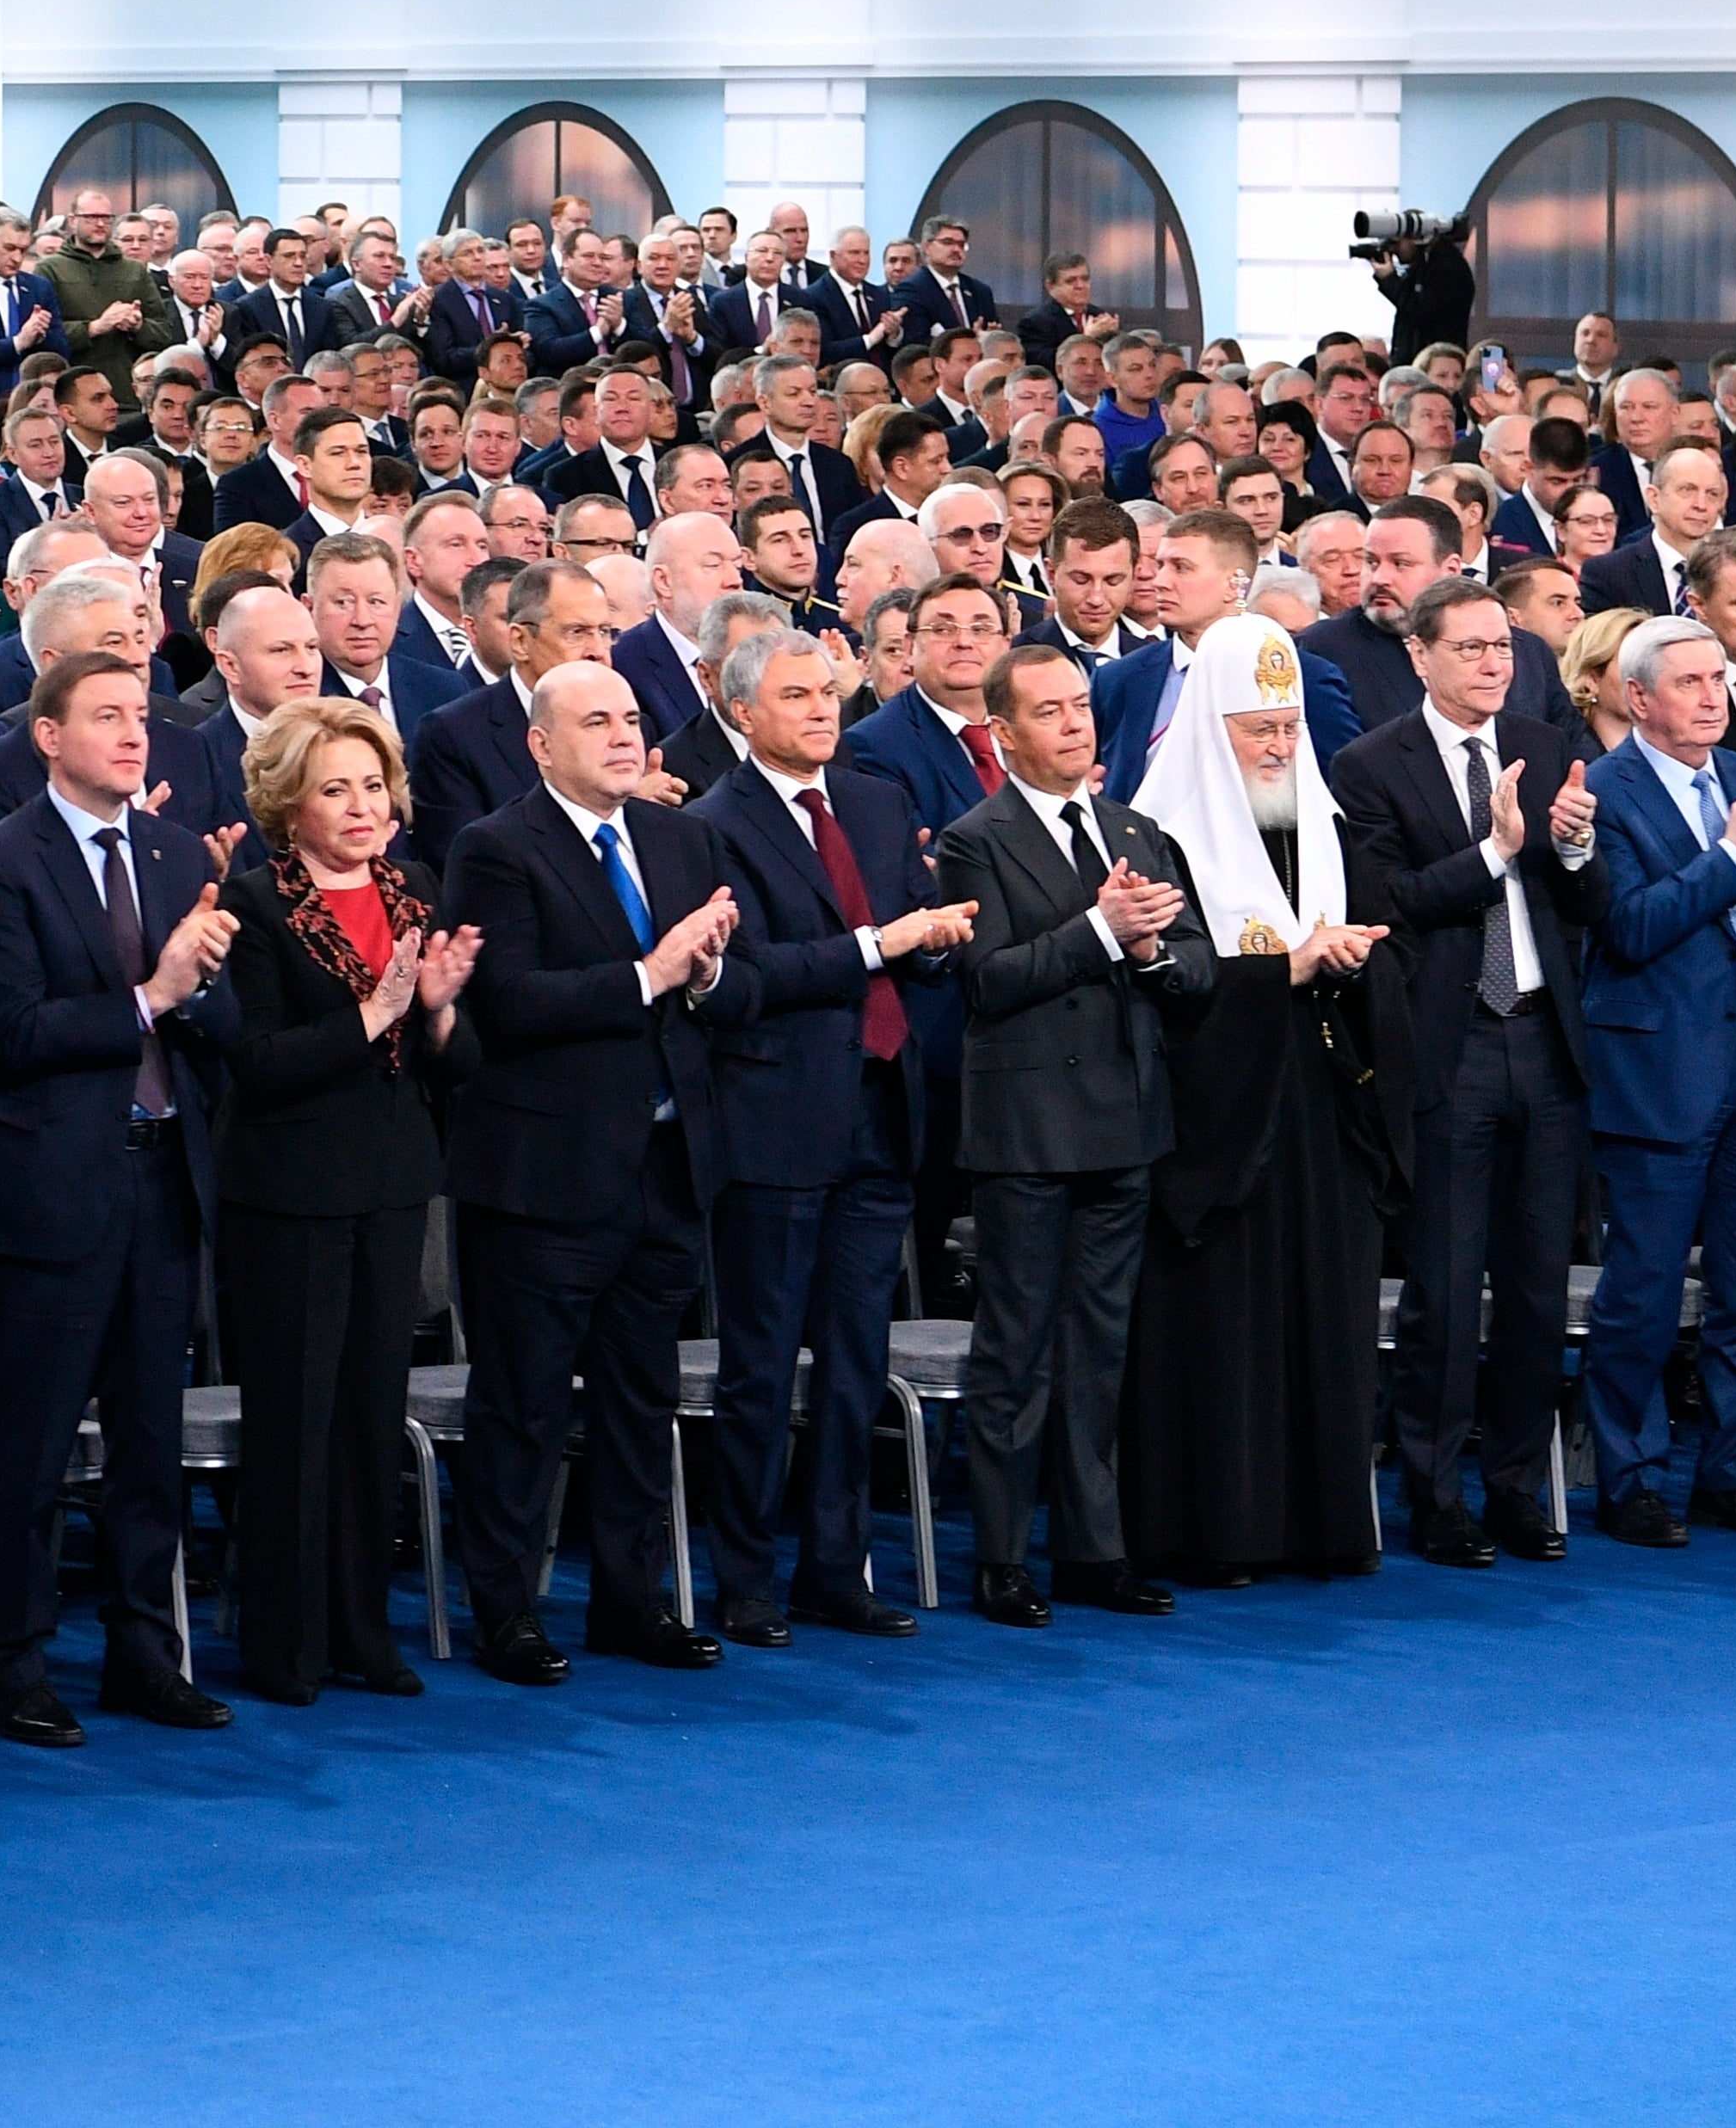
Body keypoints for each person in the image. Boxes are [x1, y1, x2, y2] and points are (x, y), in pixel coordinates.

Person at [0, 645, 243, 1744]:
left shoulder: (170, 851)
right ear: (48, 737)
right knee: (33, 1439)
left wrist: (198, 992)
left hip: (163, 1175)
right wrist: (153, 993)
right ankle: (15, 1663)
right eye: (105, 716)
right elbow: (7, 1034)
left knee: (150, 1440)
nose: (132, 734)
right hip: (52, 1183)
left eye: (140, 718)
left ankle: (143, 1652)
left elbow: (221, 1017)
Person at [437, 660, 757, 1682]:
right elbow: (511, 1004)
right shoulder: (495, 848)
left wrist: (705, 974)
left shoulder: (682, 833)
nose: (626, 736)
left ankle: (633, 1601)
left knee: (639, 1400)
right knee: (524, 1406)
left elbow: (717, 986)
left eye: (632, 717)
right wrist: (650, 973)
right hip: (545, 1176)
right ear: (540, 743)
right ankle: (508, 1612)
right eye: (597, 721)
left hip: (664, 1167)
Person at [933, 644, 1218, 1626]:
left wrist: (1147, 951)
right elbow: (988, 982)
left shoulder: (1136, 826)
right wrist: (1099, 931)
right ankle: (1003, 1558)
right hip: (1026, 1132)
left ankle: (1095, 1550)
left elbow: (1197, 969)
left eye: (1081, 707)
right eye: (1048, 712)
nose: (1073, 724)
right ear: (1004, 733)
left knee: (1100, 1348)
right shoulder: (974, 838)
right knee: (1016, 1350)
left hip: (1127, 1123)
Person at [690, 634, 968, 1639]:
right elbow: (743, 982)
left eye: (829, 692)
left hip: (882, 1106)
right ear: (742, 713)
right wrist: (877, 946)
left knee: (856, 1356)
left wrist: (936, 941)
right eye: (795, 696)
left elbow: (908, 933)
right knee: (763, 1363)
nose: (821, 710)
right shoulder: (711, 826)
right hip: (775, 1119)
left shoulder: (878, 801)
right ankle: (747, 1578)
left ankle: (836, 1566)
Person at [1327, 572, 1604, 1566]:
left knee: (1535, 1284)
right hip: (1449, 1046)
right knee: (1446, 1287)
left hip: (1545, 1037)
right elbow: (1386, 897)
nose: (1494, 663)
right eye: (1473, 648)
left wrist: (1571, 851)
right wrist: (1495, 851)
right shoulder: (1368, 765)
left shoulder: (1544, 744)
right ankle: (1437, 1493)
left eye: (1504, 647)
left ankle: (1521, 1486)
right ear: (1422, 656)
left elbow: (1591, 899)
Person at [208, 696, 478, 1698]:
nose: (361, 806)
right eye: (335, 788)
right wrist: (377, 1010)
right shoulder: (255, 902)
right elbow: (260, 1059)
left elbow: (457, 1062)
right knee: (297, 1419)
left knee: (372, 1415)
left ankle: (366, 1630)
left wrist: (440, 1014)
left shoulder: (415, 885)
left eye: (372, 785)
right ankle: (286, 1642)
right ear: (289, 800)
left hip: (393, 1180)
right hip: (288, 1190)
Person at [1115, 618, 1395, 1583]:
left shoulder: (1321, 821)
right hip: (1216, 1118)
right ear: (1209, 729)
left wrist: (1348, 960)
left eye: (1288, 725)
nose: (1280, 746)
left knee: (1323, 1309)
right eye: (1257, 729)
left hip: (1316, 1101)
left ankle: (1321, 1524)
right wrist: (1284, 970)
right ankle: (1218, 1530)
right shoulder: (1159, 833)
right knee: (1224, 1325)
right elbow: (1170, 986)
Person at [1572, 618, 1736, 1547]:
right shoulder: (1601, 793)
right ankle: (1631, 1477)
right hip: (1660, 1071)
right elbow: (1634, 926)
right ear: (1638, 697)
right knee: (1641, 1293)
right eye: (1689, 682)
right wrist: (1730, 855)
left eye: (1718, 679)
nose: (1712, 696)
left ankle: (1734, 1470)